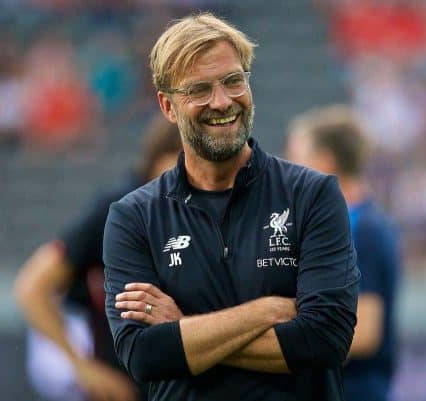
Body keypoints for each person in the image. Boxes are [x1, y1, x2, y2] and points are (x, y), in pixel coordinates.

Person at [102, 12, 360, 401]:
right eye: (199, 89)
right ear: (168, 107)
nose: (222, 102)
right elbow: (144, 354)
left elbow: (325, 339)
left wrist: (184, 329)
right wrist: (269, 311)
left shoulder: (313, 194)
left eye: (233, 81)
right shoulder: (133, 217)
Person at [13, 114, 182, 401]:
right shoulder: (117, 211)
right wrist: (82, 367)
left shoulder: (204, 214)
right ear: (159, 160)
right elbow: (32, 286)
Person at [286, 105, 402, 401]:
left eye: (296, 157)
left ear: (324, 162)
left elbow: (364, 332)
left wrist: (280, 349)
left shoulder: (363, 230)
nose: (287, 169)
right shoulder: (337, 225)